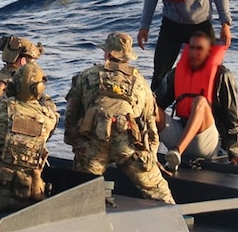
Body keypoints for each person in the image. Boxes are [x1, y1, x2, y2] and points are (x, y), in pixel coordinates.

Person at [64, 32, 172, 203]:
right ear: (128, 57)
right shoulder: (141, 83)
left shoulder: (87, 76)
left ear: (107, 54)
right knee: (158, 191)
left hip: (94, 143)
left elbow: (71, 115)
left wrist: (76, 144)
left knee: (82, 192)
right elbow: (150, 125)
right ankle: (172, 221)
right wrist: (150, 156)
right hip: (128, 142)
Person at [154, 28, 238, 171]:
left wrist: (234, 153)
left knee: (200, 101)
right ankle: (142, 152)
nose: (194, 52)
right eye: (191, 48)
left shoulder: (223, 75)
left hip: (207, 143)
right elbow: (158, 101)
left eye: (199, 48)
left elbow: (233, 121)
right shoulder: (177, 73)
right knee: (149, 105)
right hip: (181, 134)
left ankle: (177, 153)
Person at [0, 62, 59, 218]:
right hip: (28, 192)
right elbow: (51, 109)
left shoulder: (3, 109)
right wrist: (41, 95)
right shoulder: (47, 118)